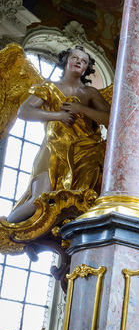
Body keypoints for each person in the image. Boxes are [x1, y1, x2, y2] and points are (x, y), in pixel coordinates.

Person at [8, 46, 109, 224]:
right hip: (53, 148)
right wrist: (59, 116)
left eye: (84, 61)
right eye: (75, 58)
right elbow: (24, 112)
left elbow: (111, 119)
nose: (79, 62)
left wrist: (80, 109)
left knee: (79, 204)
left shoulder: (90, 93)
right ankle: (7, 228)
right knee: (40, 200)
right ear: (66, 62)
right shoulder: (48, 87)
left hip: (86, 153)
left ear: (86, 69)